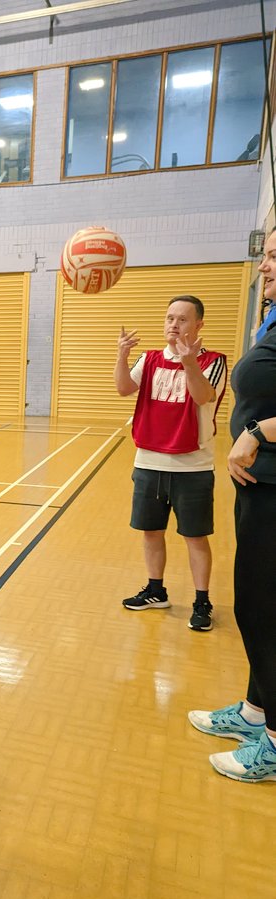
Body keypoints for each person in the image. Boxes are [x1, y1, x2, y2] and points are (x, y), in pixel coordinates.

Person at [188, 230, 276, 782]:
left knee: (270, 613)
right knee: (256, 606)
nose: (263, 264)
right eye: (265, 252)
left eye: (274, 255)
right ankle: (256, 712)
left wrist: (263, 432)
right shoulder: (271, 315)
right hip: (260, 489)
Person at [114, 296, 227, 630]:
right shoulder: (148, 359)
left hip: (192, 466)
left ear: (198, 325)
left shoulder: (213, 361)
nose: (174, 325)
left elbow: (203, 397)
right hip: (149, 461)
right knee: (151, 532)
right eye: (169, 319)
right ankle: (155, 590)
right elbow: (123, 388)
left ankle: (202, 601)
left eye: (182, 319)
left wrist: (189, 362)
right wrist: (121, 355)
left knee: (195, 537)